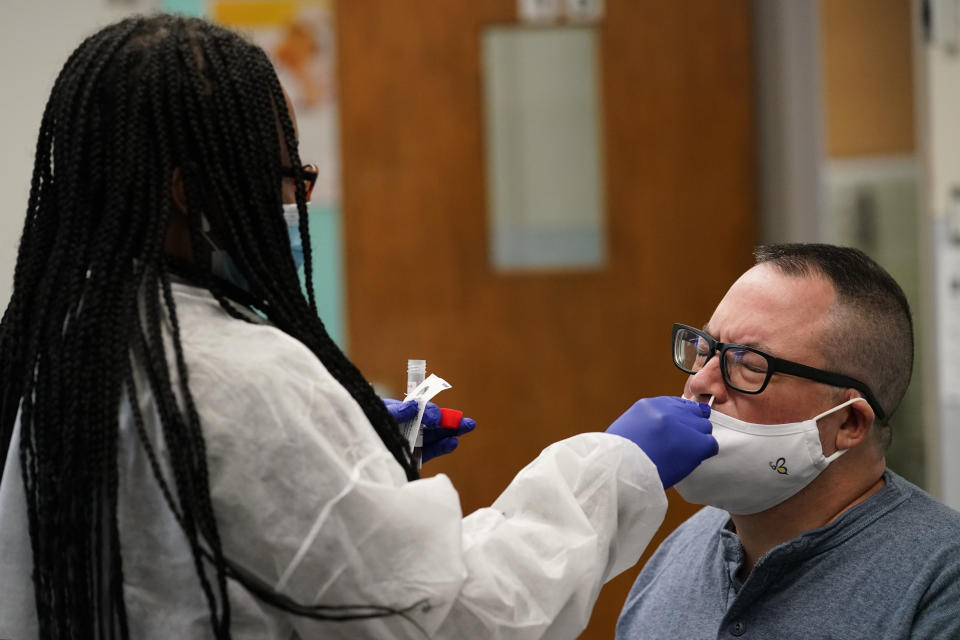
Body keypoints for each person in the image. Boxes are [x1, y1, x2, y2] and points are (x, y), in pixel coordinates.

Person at [0, 14, 719, 640]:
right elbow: (450, 621)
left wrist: (348, 460)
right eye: (290, 178)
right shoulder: (246, 380)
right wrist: (612, 469)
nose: (296, 200)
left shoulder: (56, 347)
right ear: (192, 192)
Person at [616, 244, 960, 640]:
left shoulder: (939, 583)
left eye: (748, 363)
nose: (700, 383)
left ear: (848, 422)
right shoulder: (677, 556)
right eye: (706, 350)